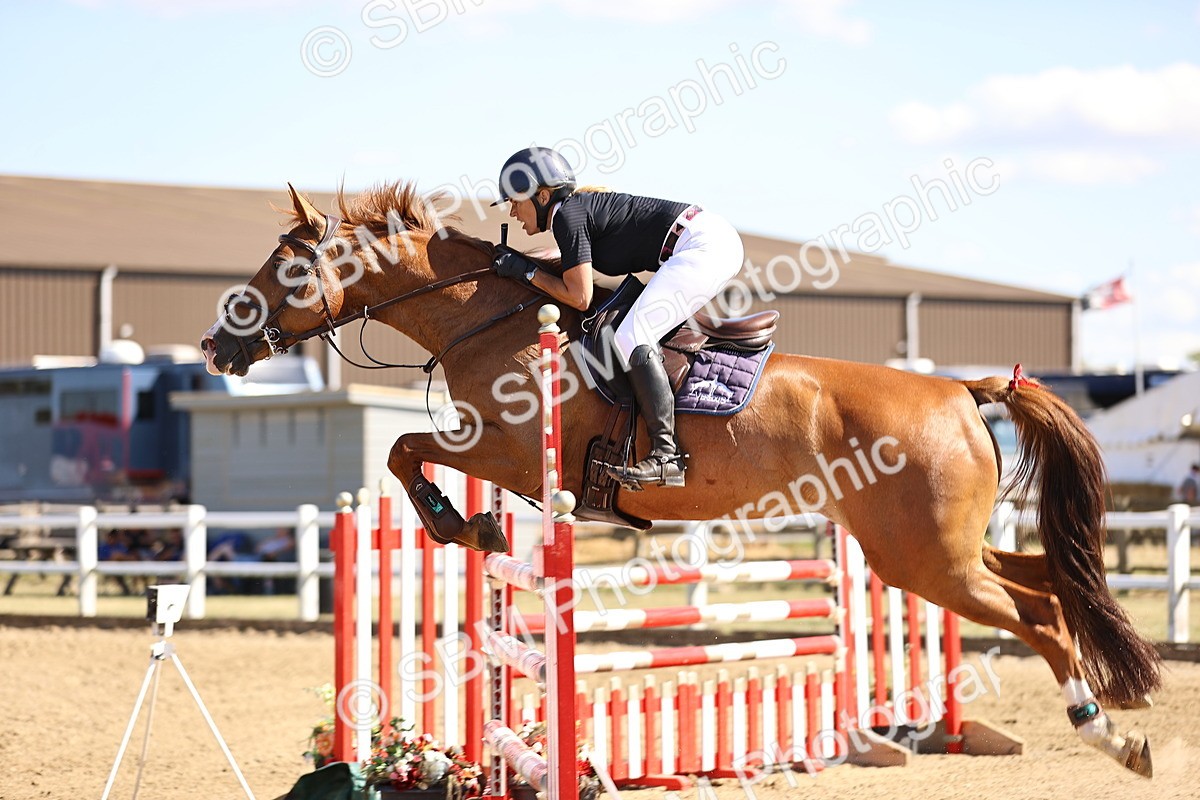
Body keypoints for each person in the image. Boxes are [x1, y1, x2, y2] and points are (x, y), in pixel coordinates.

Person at [490, 147, 745, 488]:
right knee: (633, 331)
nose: (512, 212)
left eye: (515, 201)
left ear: (543, 195)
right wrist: (523, 264)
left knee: (632, 336)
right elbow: (567, 265)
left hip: (704, 246)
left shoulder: (568, 216)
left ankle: (666, 455)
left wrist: (525, 274)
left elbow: (580, 298)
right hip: (707, 240)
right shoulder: (572, 214)